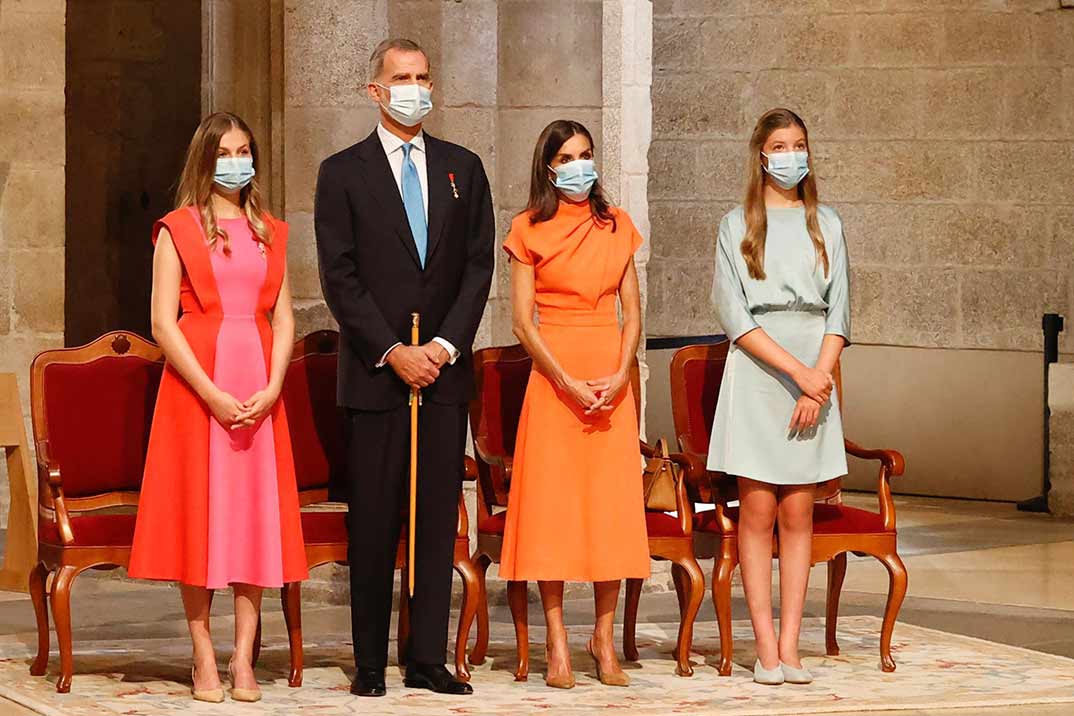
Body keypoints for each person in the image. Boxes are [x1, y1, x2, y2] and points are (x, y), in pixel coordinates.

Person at [314, 38, 494, 698]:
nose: (414, 87)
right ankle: (368, 661)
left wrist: (444, 347)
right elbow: (341, 274)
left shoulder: (462, 168)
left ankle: (426, 657)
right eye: (401, 77)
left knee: (433, 519)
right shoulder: (343, 172)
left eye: (422, 76)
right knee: (375, 521)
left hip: (443, 376)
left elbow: (478, 266)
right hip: (377, 376)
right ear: (376, 90)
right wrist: (394, 351)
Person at [129, 112, 309, 704]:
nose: (238, 160)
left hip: (258, 385)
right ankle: (203, 655)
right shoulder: (176, 230)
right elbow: (162, 320)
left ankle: (243, 660)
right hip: (197, 387)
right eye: (226, 151)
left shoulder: (271, 231)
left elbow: (283, 317)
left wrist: (275, 383)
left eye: (246, 150)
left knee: (253, 519)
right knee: (199, 518)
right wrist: (208, 390)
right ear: (205, 160)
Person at [499, 120, 650, 689]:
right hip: (554, 380)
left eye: (586, 155)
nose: (579, 165)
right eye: (567, 157)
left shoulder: (618, 227)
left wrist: (620, 372)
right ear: (548, 168)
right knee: (555, 513)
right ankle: (557, 642)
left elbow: (631, 312)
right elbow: (521, 320)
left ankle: (604, 640)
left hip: (610, 378)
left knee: (609, 509)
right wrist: (562, 377)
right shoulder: (526, 230)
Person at [708, 107, 851, 685]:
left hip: (813, 370)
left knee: (799, 513)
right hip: (762, 370)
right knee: (759, 510)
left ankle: (792, 645)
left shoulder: (829, 223)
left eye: (800, 144)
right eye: (780, 145)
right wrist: (800, 374)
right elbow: (733, 315)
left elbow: (839, 311)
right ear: (762, 155)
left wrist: (819, 378)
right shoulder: (736, 223)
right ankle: (763, 644)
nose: (791, 154)